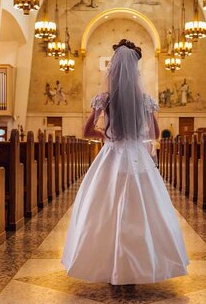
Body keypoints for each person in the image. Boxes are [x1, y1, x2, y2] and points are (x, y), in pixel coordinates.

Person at [61, 39, 189, 285]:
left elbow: (87, 130)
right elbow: (154, 132)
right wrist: (136, 135)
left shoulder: (104, 98)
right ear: (135, 71)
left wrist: (106, 135)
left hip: (111, 154)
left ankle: (107, 265)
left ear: (114, 69)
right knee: (140, 203)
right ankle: (141, 262)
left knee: (105, 203)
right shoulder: (146, 100)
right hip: (137, 156)